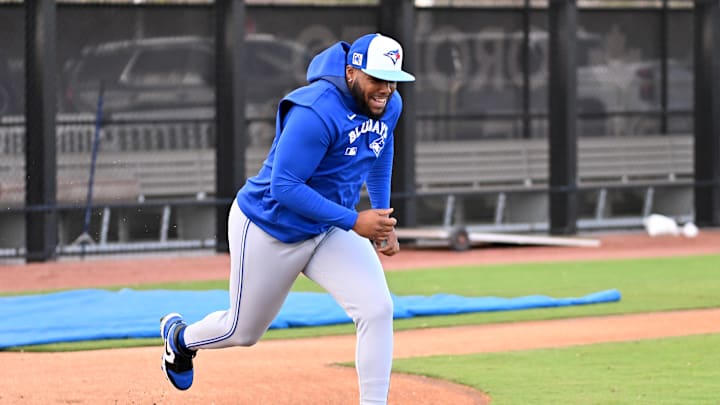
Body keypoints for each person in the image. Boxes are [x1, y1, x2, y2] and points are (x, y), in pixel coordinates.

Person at [160, 32, 415, 404]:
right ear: (350, 73)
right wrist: (355, 221)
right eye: (376, 78)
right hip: (268, 227)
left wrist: (382, 216)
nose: (386, 89)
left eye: (392, 79)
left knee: (378, 309)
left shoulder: (388, 104)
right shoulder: (316, 111)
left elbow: (381, 147)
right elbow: (284, 186)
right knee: (242, 331)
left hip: (328, 229)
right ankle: (180, 340)